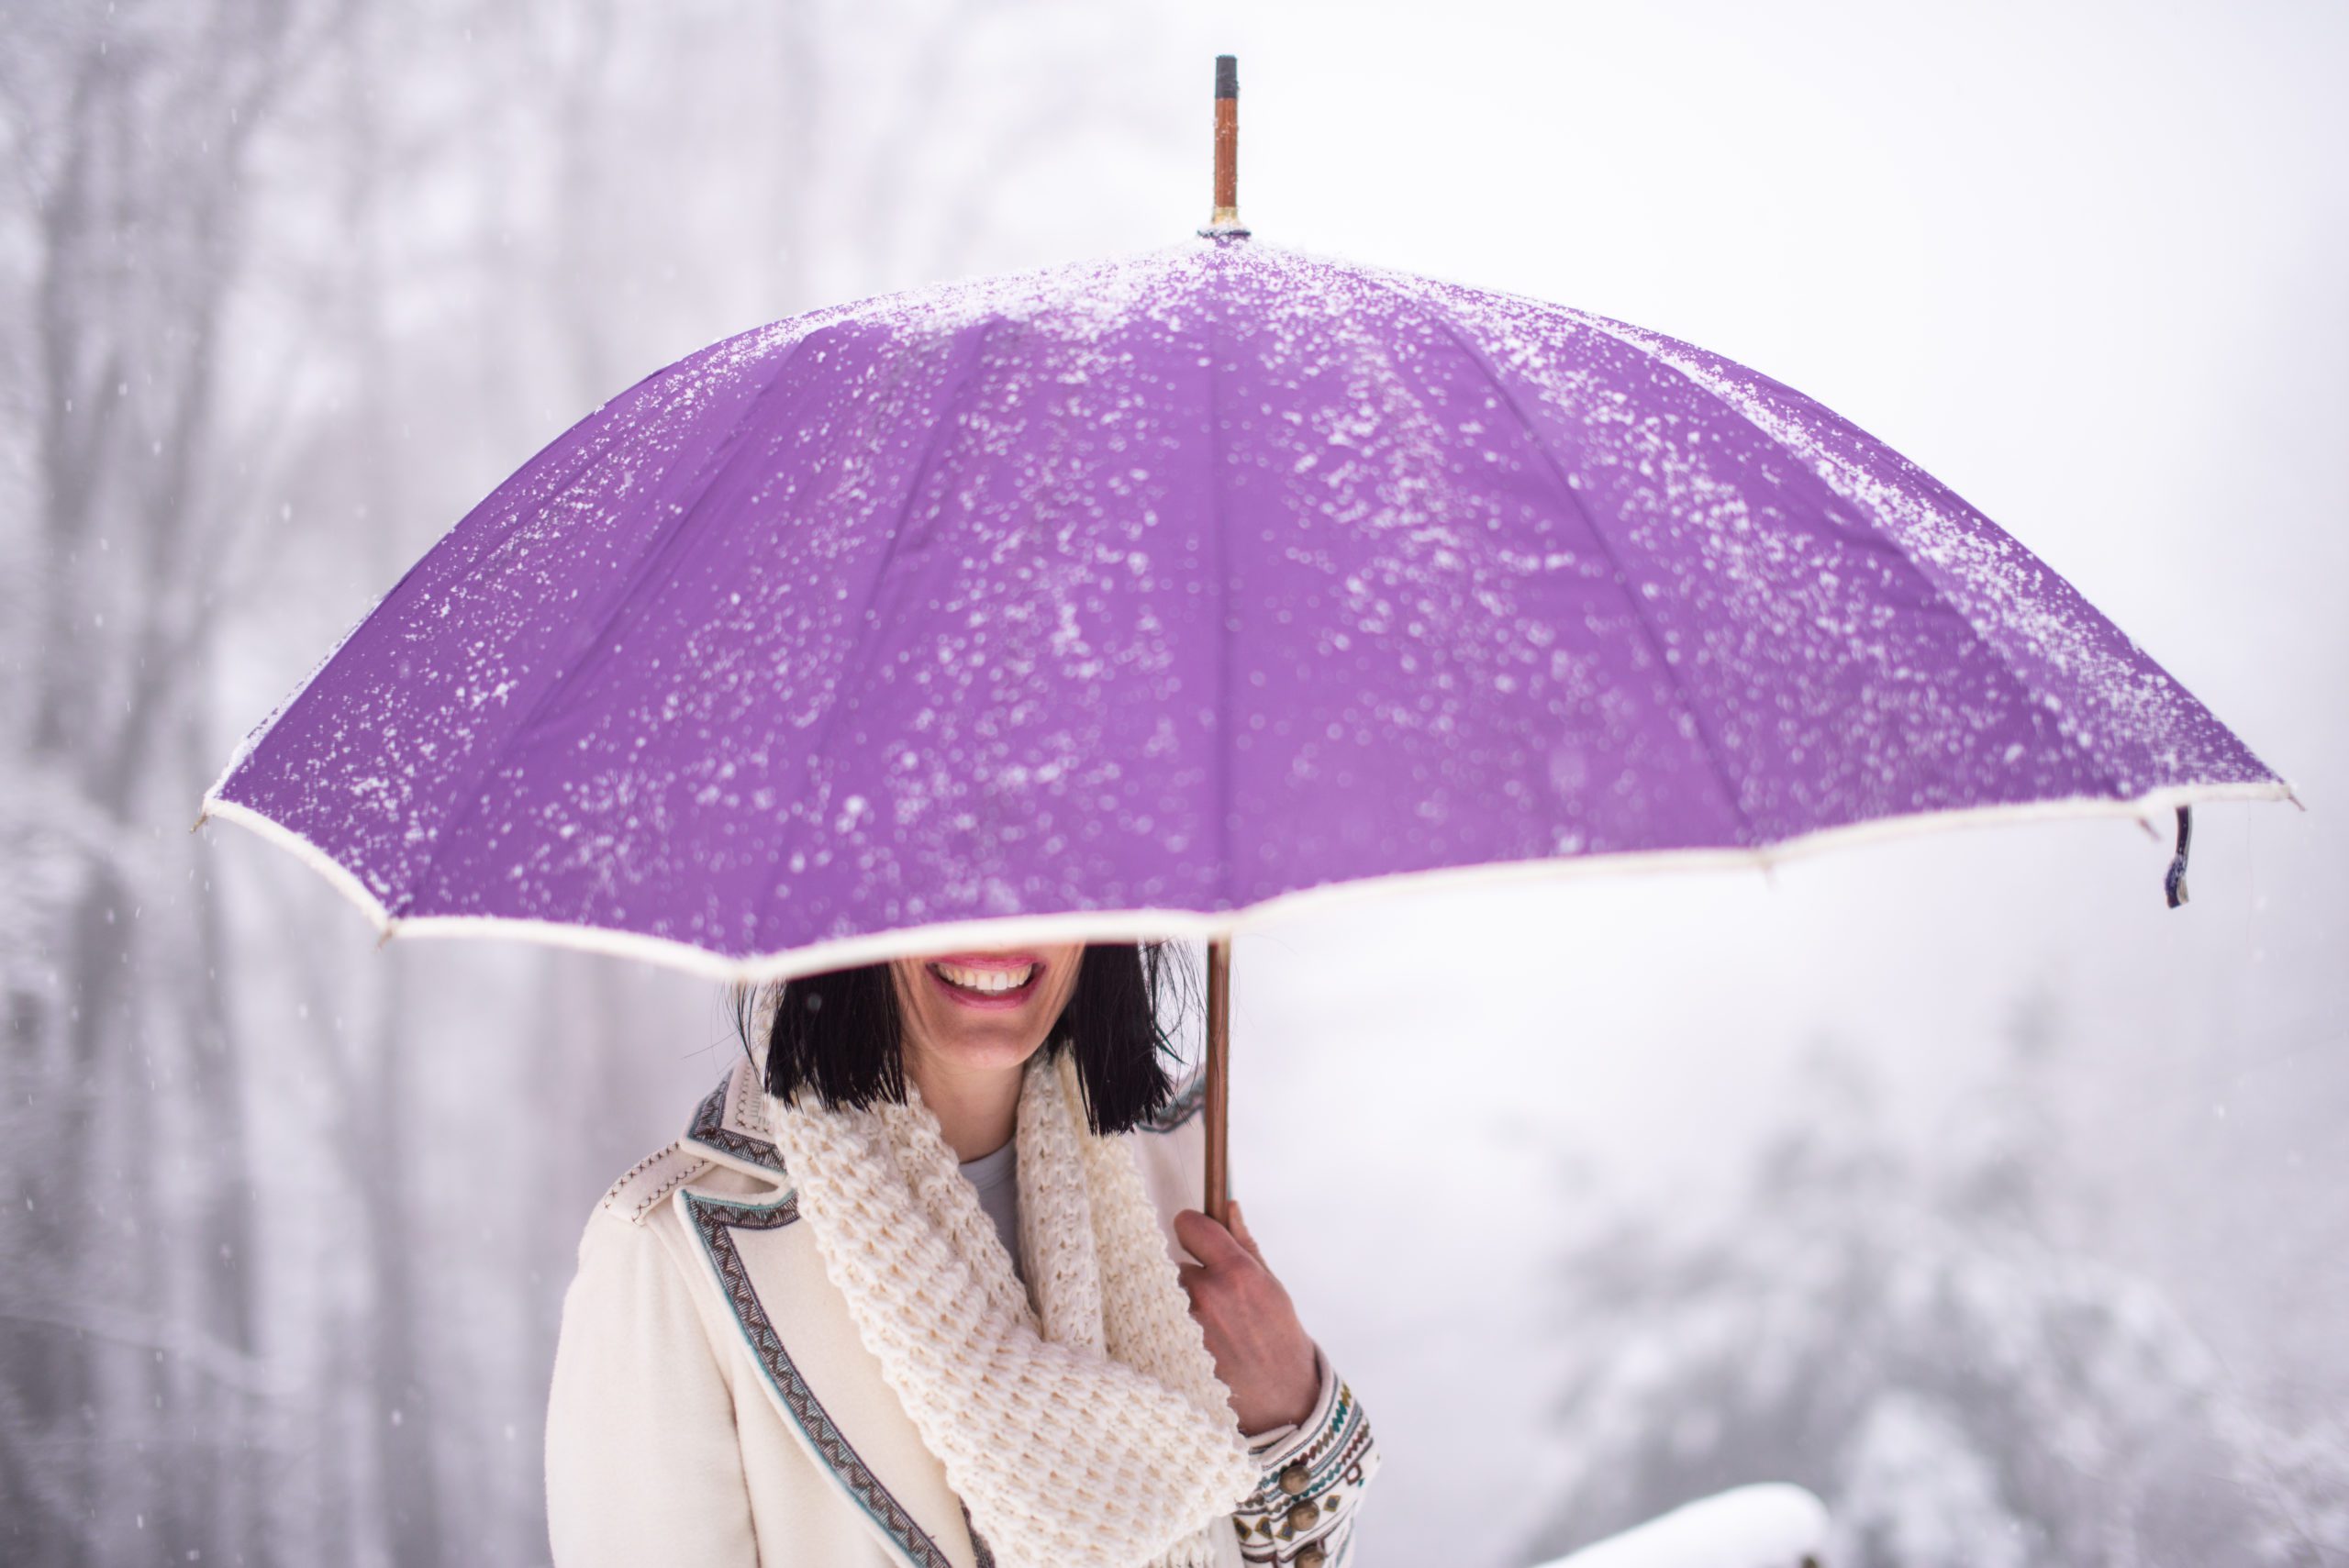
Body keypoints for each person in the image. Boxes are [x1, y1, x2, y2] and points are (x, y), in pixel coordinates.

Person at [545, 940, 1380, 1567]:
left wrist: (1291, 1417)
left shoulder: (1177, 1160)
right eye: (933, 858)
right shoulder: (665, 1256)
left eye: (1047, 860)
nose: (996, 916)